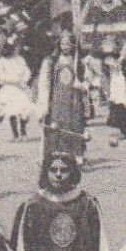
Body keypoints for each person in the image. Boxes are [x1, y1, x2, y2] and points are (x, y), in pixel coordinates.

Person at [36, 28, 89, 165]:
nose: (65, 47)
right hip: (58, 98)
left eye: (68, 44)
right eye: (63, 44)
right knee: (58, 125)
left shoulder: (79, 62)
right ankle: (58, 152)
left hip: (74, 99)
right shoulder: (53, 61)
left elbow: (88, 78)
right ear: (59, 44)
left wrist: (82, 84)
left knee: (76, 124)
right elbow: (47, 80)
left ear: (73, 45)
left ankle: (77, 153)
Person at [0, 36, 37, 142]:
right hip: (9, 88)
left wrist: (24, 80)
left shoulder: (20, 59)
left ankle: (23, 132)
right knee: (12, 111)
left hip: (20, 88)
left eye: (19, 47)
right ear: (10, 48)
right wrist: (13, 80)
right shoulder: (3, 60)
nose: (18, 49)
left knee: (23, 110)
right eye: (15, 47)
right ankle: (16, 134)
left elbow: (27, 71)